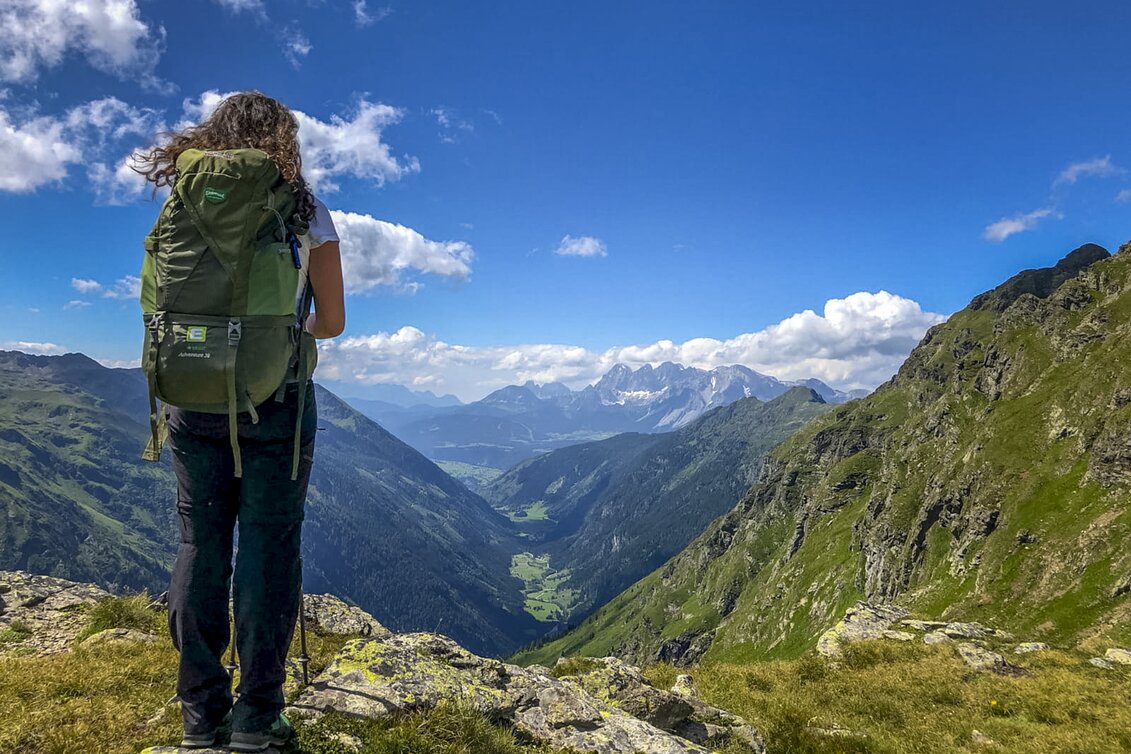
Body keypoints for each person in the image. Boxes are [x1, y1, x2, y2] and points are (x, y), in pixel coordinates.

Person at [133, 91, 345, 751]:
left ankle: (201, 718)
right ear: (283, 141)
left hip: (190, 397)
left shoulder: (184, 201)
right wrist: (282, 333)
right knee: (267, 547)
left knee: (199, 544)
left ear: (212, 135)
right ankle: (258, 717)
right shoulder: (303, 208)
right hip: (277, 400)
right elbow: (332, 321)